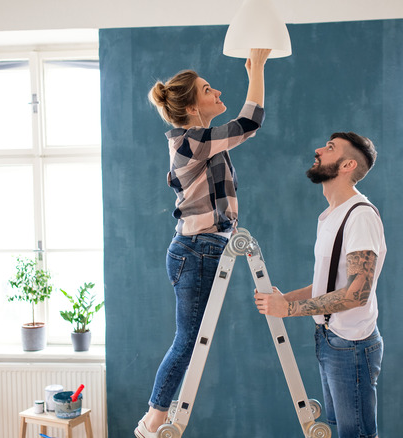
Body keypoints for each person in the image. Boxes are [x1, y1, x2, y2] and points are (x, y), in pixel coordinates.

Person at [135, 48, 271, 438]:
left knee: (192, 337)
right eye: (208, 90)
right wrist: (257, 69)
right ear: (193, 108)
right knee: (188, 338)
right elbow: (249, 122)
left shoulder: (205, 143)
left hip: (205, 249)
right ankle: (154, 418)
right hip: (196, 251)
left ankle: (157, 414)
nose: (216, 92)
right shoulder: (188, 143)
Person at [254, 132, 386, 438]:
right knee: (344, 431)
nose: (318, 150)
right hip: (330, 339)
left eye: (330, 148)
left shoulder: (360, 216)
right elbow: (327, 285)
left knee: (357, 436)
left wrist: (288, 309)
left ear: (347, 165)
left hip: (351, 344)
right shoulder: (331, 215)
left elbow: (357, 294)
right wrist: (284, 299)